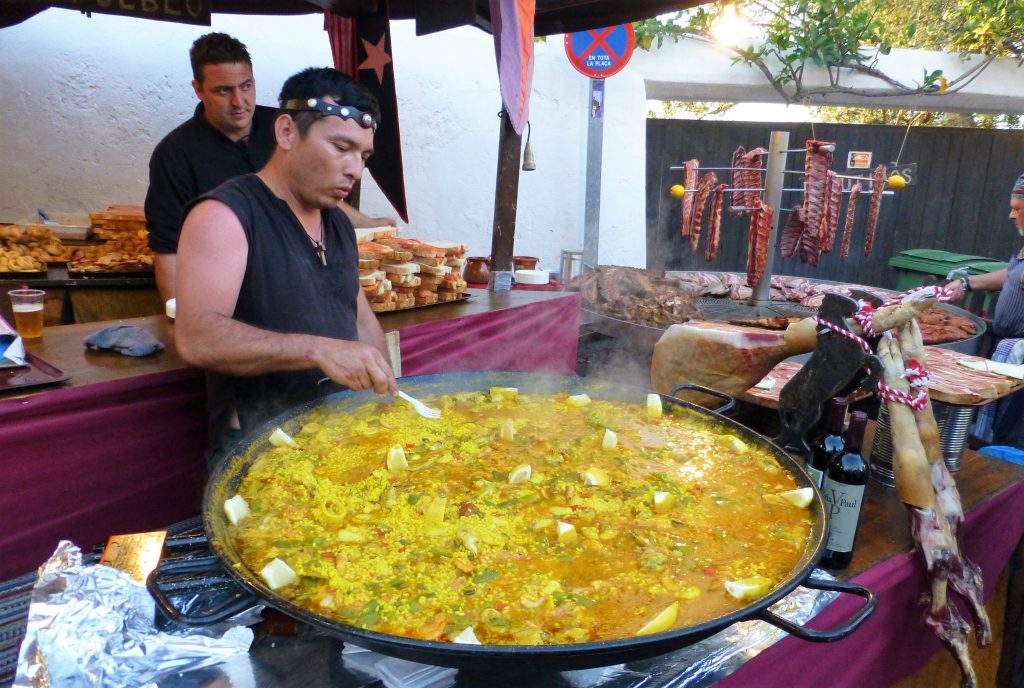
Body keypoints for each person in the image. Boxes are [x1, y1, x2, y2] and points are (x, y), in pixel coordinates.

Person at [174, 67, 399, 465]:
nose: (355, 169)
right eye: (340, 147)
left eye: (362, 155)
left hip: (340, 436)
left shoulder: (339, 223)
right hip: (259, 446)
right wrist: (317, 349)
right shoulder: (225, 215)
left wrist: (386, 402)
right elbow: (197, 338)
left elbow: (361, 320)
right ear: (287, 132)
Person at [145, 32, 394, 302]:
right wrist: (178, 317)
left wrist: (371, 224)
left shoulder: (281, 123)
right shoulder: (174, 154)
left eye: (246, 86)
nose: (239, 102)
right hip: (229, 295)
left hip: (303, 286)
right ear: (198, 89)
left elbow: (318, 187)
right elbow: (168, 249)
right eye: (223, 90)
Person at [949, 172, 1024, 445]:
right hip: (1008, 353)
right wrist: (967, 283)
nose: (1011, 216)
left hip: (1021, 363)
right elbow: (1014, 275)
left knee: (1010, 438)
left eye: (1016, 209)